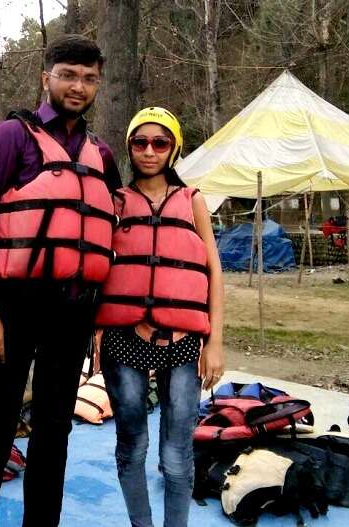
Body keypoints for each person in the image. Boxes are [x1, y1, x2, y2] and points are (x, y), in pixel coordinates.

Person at [0, 35, 122, 527]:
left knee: (54, 430)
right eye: (68, 74)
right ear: (45, 77)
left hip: (73, 311)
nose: (78, 86)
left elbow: (107, 229)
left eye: (89, 78)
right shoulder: (11, 136)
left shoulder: (102, 154)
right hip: (13, 305)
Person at [94, 107, 225, 527]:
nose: (149, 151)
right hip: (123, 337)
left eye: (160, 143)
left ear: (174, 148)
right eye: (140, 142)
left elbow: (213, 271)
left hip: (183, 339)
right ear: (130, 148)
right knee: (132, 445)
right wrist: (97, 329)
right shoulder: (115, 203)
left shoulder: (193, 201)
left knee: (176, 453)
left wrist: (216, 341)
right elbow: (97, 268)